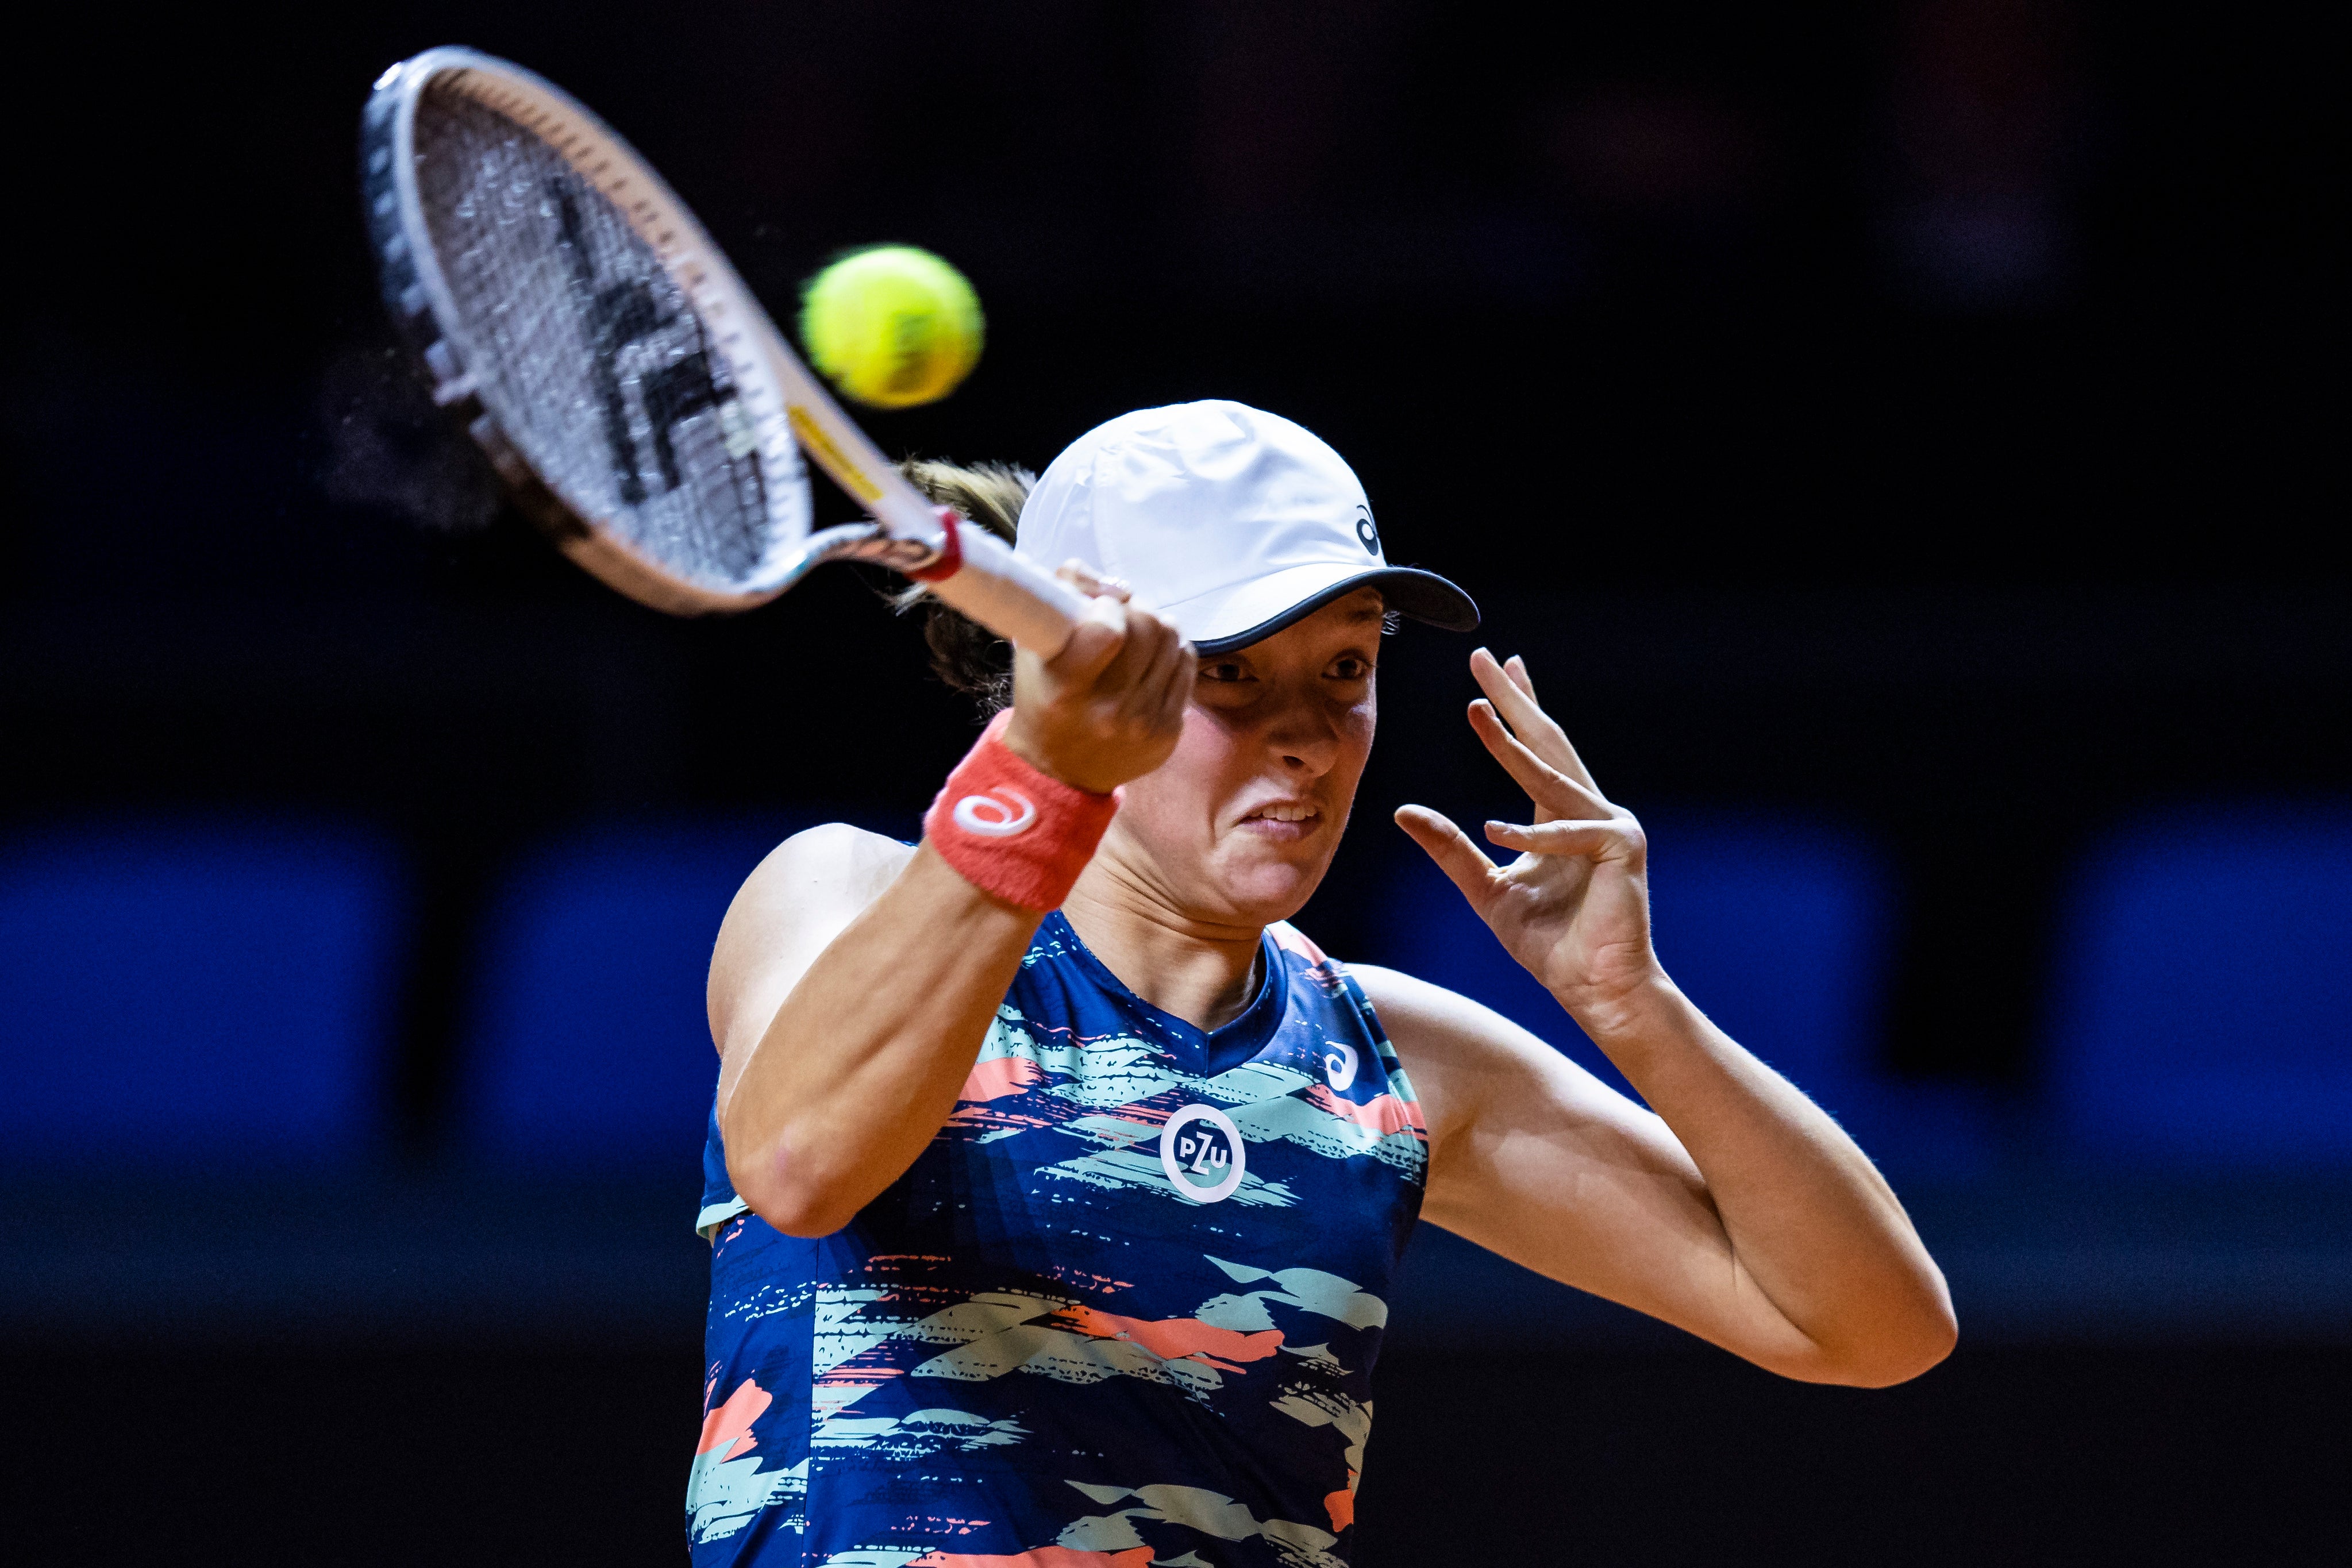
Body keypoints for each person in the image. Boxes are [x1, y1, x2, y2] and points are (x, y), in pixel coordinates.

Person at [686, 401, 1955, 1567]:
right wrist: (1040, 769)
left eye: (1344, 670)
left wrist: (1638, 1009)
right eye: (1229, 672)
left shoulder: (1391, 1059)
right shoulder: (841, 895)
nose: (1305, 737)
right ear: (1072, 661)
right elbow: (799, 1167)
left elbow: (1873, 1328)